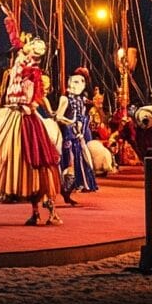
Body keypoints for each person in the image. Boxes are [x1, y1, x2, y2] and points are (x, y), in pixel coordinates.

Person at [0, 13, 63, 225]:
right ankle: (35, 211)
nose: (24, 50)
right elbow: (16, 42)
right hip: (13, 114)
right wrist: (11, 22)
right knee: (14, 160)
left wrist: (29, 103)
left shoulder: (32, 71)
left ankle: (49, 209)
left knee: (35, 160)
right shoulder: (20, 63)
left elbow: (33, 97)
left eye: (29, 49)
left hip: (24, 117)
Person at [54, 67, 98, 203]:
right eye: (73, 82)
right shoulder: (65, 99)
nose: (74, 85)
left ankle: (72, 188)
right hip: (68, 133)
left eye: (79, 82)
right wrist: (71, 122)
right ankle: (64, 189)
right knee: (69, 160)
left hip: (78, 133)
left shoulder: (81, 100)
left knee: (83, 159)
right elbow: (59, 117)